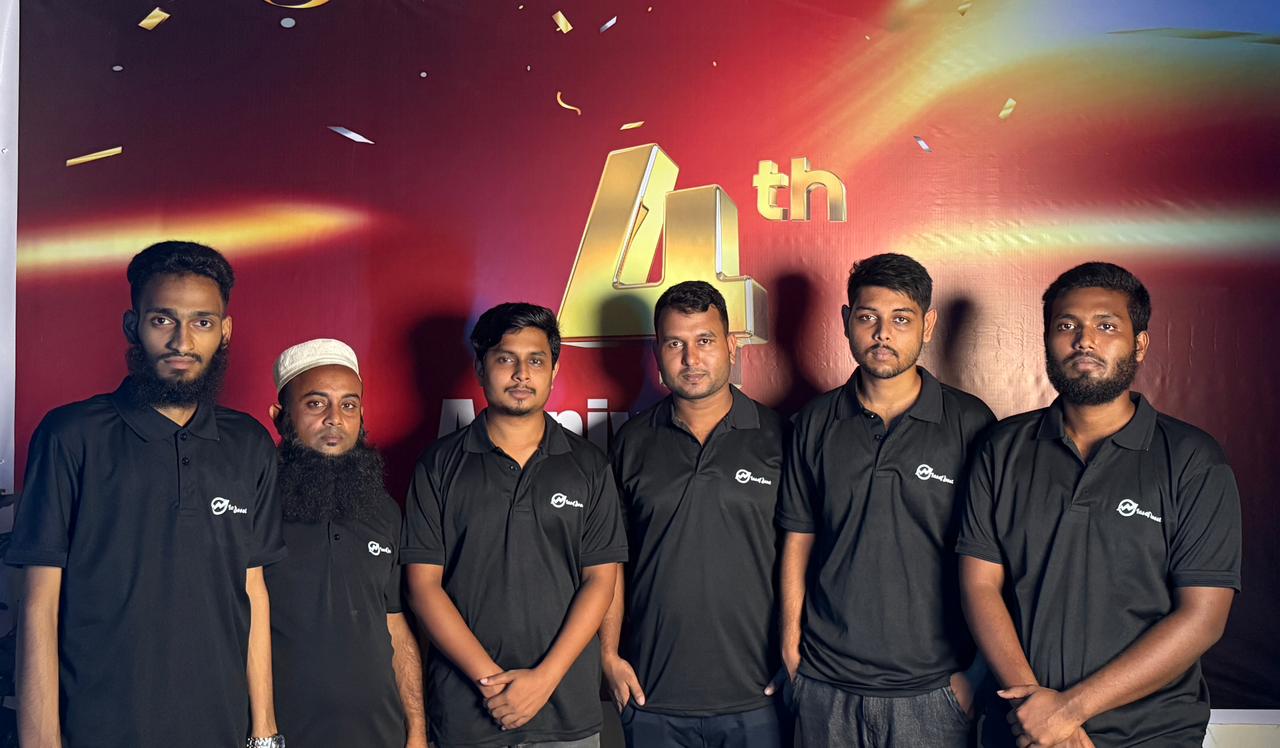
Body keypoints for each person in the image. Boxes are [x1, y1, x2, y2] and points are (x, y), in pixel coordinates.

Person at [7, 241, 286, 748]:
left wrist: (264, 733)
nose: (183, 341)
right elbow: (39, 605)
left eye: (202, 322)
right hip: (97, 731)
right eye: (162, 320)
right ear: (132, 325)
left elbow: (252, 591)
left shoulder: (250, 444)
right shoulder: (70, 435)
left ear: (225, 331)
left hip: (220, 731)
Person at [957, 262, 1241, 748]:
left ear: (1140, 344)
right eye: (1067, 325)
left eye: (1106, 326)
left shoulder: (1194, 460)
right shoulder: (1001, 448)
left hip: (1152, 734)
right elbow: (979, 585)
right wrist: (1037, 713)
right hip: (1020, 728)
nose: (1084, 340)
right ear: (1047, 339)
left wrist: (1069, 711)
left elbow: (1202, 617)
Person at [777, 253, 995, 747]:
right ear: (845, 321)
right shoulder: (814, 422)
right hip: (826, 683)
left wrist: (976, 674)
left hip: (933, 691)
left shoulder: (971, 424)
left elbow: (995, 557)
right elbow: (799, 538)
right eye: (867, 317)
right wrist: (791, 648)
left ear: (927, 325)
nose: (882, 334)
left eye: (901, 319)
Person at [402, 302, 628, 748]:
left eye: (536, 361)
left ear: (554, 370)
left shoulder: (589, 466)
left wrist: (544, 680)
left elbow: (601, 580)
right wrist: (492, 683)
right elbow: (422, 586)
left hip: (566, 711)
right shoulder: (438, 465)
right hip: (468, 713)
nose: (522, 374)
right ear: (480, 368)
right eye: (506, 359)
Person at [602, 281, 788, 746]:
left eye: (705, 340)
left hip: (758, 697)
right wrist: (608, 655)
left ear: (731, 345)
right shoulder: (630, 442)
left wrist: (795, 654)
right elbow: (609, 561)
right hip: (651, 696)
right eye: (674, 344)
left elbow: (807, 555)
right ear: (657, 353)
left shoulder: (781, 437)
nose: (691, 358)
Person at [265, 338, 428, 748]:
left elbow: (395, 626)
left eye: (349, 405)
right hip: (283, 738)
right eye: (316, 403)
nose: (335, 418)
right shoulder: (254, 509)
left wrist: (416, 731)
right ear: (279, 417)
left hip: (382, 735)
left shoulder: (385, 511)